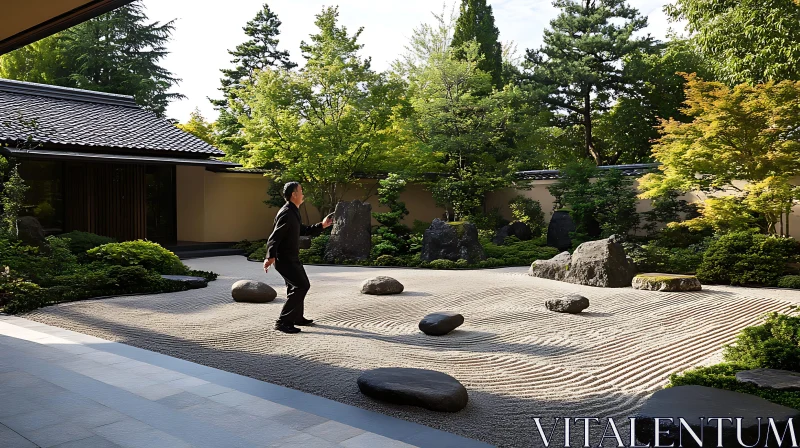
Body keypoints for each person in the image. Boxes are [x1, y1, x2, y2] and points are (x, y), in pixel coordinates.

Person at [264, 182, 333, 334]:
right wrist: (270, 256)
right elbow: (274, 236)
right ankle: (283, 322)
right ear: (294, 194)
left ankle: (296, 317)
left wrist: (322, 225)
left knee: (294, 287)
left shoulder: (293, 210)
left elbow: (302, 229)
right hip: (285, 259)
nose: (303, 194)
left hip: (291, 257)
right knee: (302, 286)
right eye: (301, 191)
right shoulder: (287, 212)